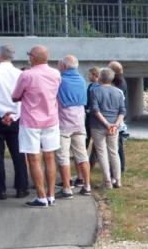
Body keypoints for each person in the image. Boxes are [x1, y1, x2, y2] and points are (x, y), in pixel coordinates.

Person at [11, 45, 61, 208]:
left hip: (31, 121)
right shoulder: (56, 74)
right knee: (49, 157)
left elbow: (15, 96)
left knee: (33, 158)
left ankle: (41, 197)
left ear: (33, 58)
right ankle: (51, 195)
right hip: (51, 119)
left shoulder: (27, 75)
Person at [0, 45, 29, 200]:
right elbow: (23, 98)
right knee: (18, 153)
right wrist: (13, 115)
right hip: (16, 115)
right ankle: (21, 187)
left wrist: (2, 113)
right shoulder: (20, 73)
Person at [55, 55, 91, 198]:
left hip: (63, 122)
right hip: (79, 121)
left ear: (64, 66)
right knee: (82, 155)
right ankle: (87, 186)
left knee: (63, 156)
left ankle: (66, 188)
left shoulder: (60, 80)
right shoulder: (82, 80)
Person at [89, 67, 125, 189]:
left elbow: (95, 110)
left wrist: (106, 123)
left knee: (102, 153)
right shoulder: (118, 92)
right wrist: (115, 124)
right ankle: (118, 180)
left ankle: (108, 181)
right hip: (114, 126)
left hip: (98, 126)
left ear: (99, 77)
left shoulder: (95, 91)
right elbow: (122, 111)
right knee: (114, 152)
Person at [107, 61, 128, 172]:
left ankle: (119, 168)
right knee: (116, 145)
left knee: (117, 146)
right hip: (117, 117)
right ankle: (118, 167)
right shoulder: (120, 81)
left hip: (116, 118)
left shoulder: (118, 84)